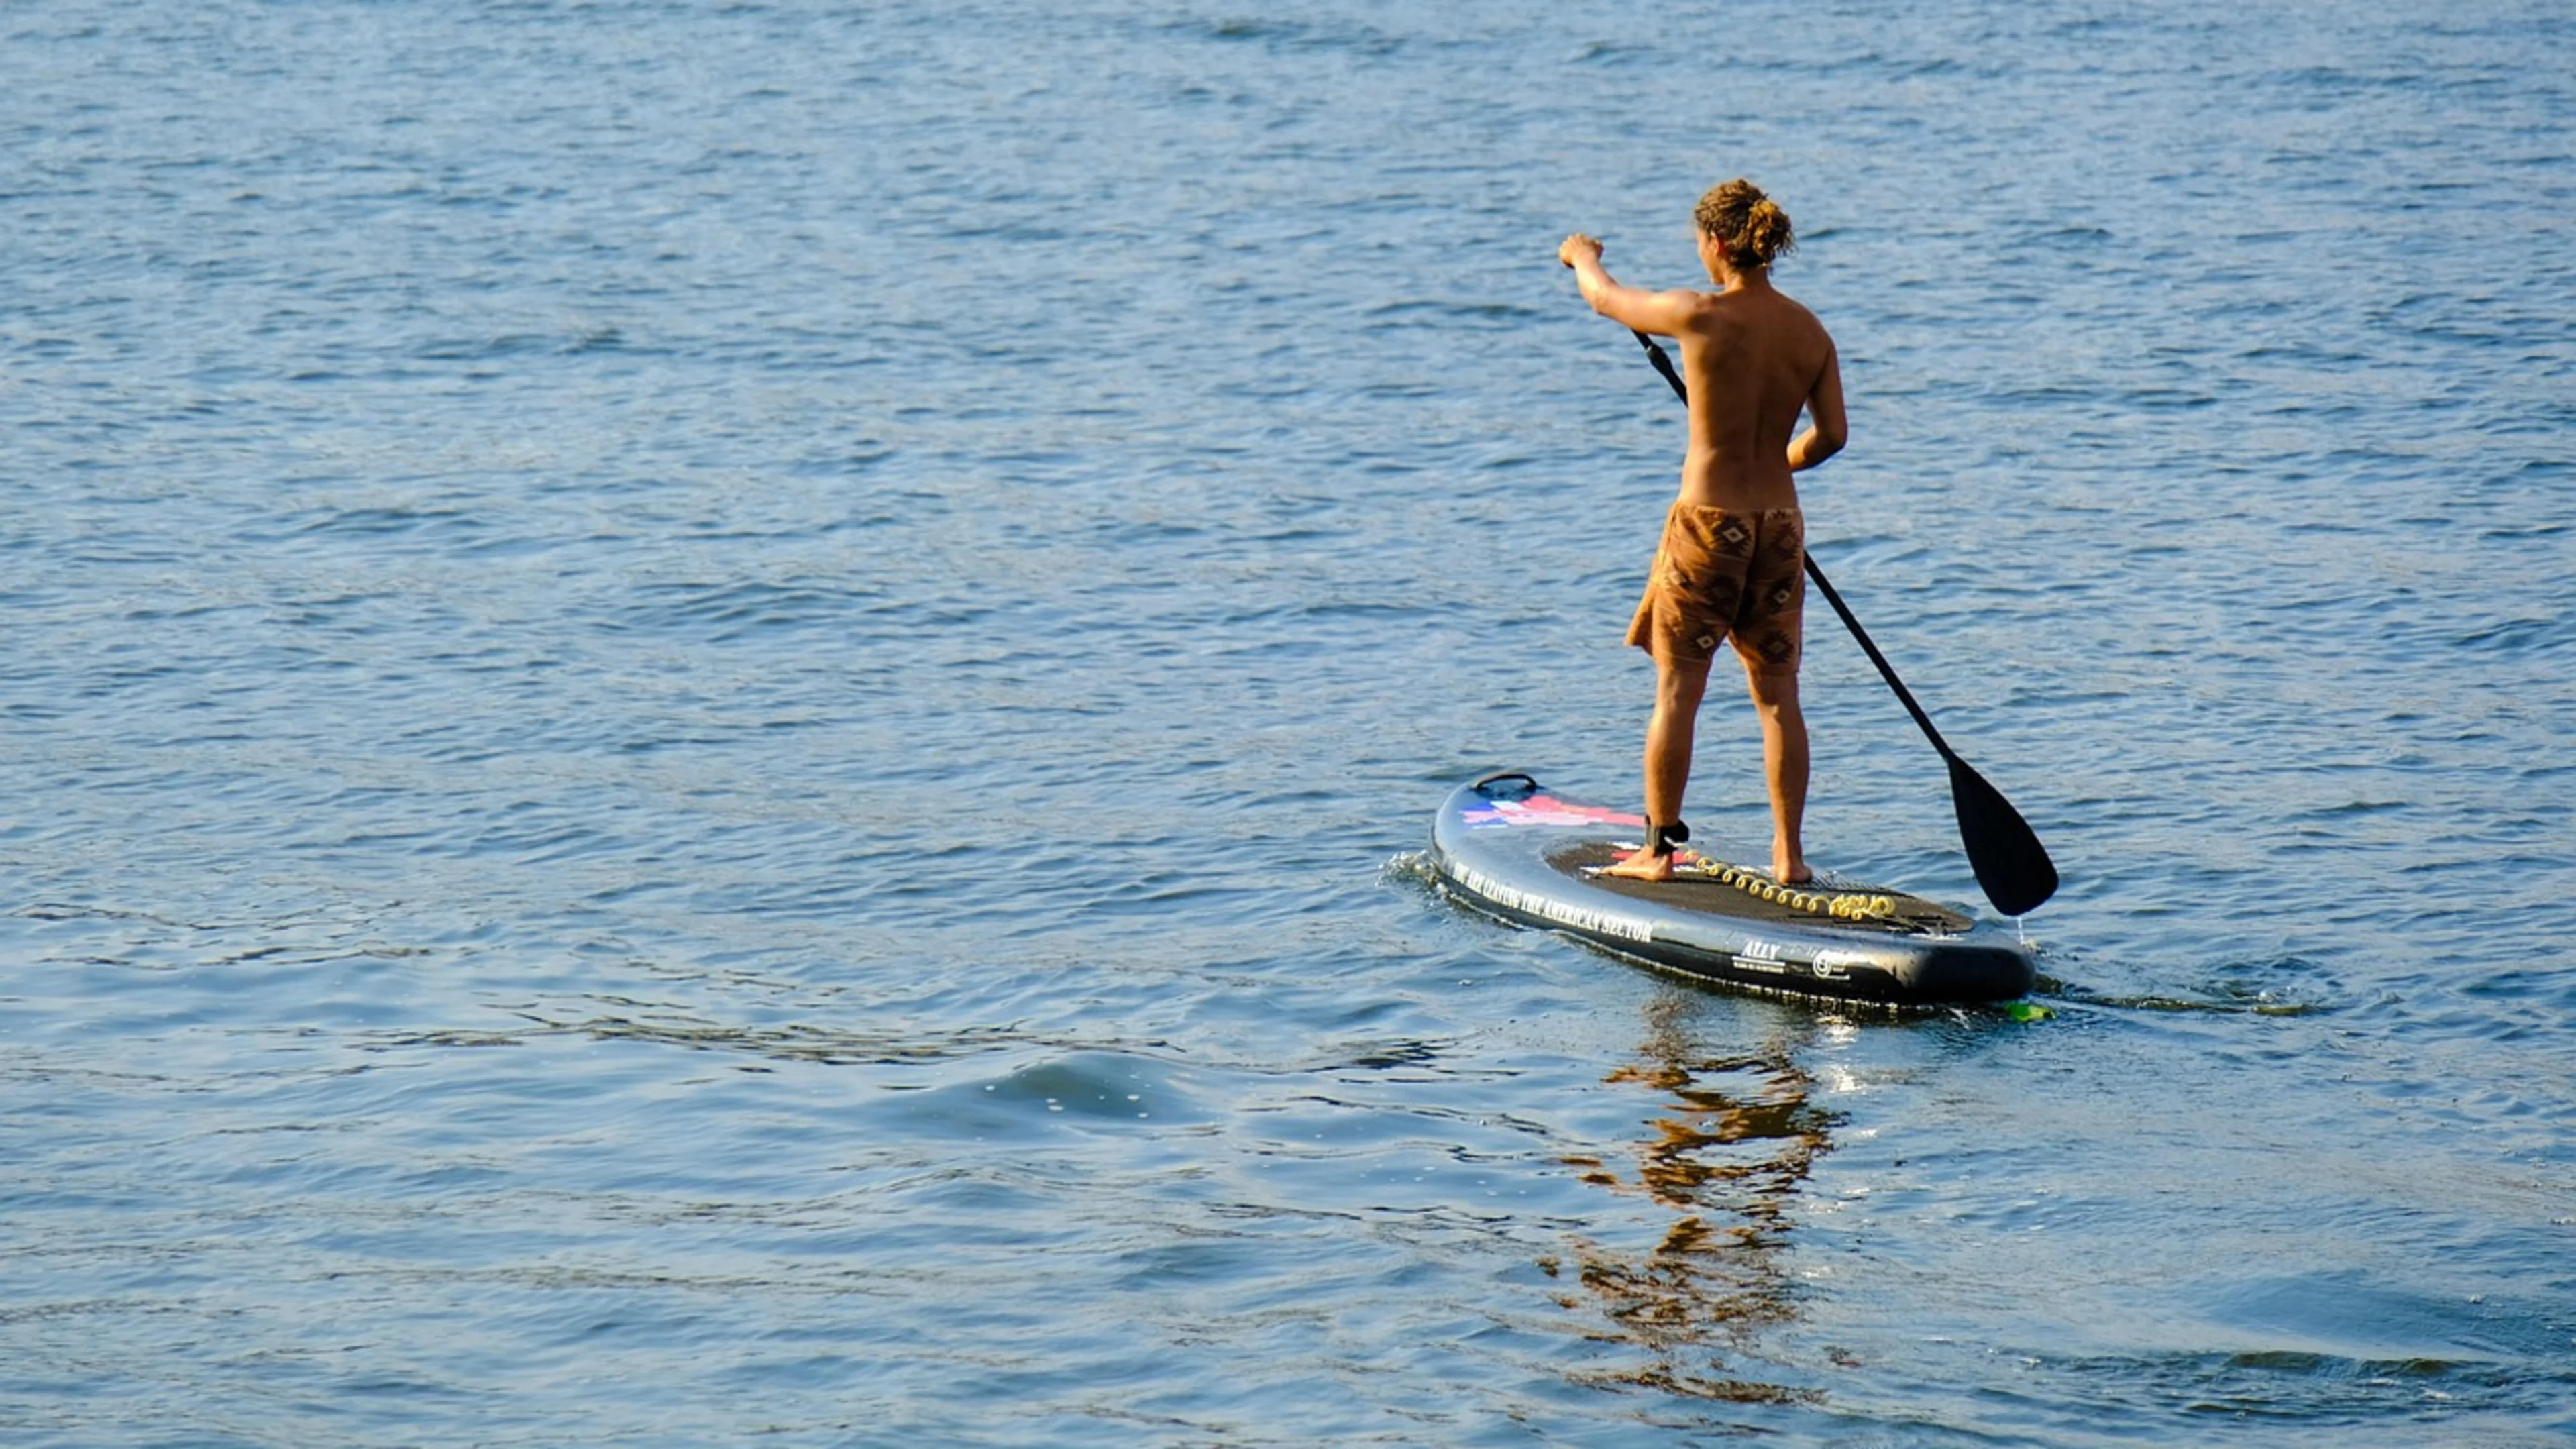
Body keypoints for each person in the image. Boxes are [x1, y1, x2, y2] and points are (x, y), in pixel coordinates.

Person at [1558, 179, 1847, 885]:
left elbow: (1604, 299)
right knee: (1779, 695)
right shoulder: (1810, 331)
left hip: (1708, 527)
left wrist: (1582, 256)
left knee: (1679, 690)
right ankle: (1790, 857)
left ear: (1716, 244)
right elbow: (1832, 437)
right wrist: (1776, 465)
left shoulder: (1698, 314)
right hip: (1778, 527)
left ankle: (1657, 853)